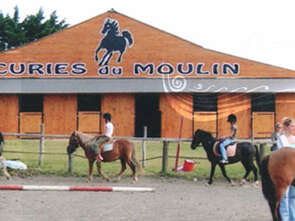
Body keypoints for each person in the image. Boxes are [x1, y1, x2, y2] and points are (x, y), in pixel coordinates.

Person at [277, 117, 295, 221]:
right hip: (285, 171)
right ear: (287, 127)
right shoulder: (281, 139)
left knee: (293, 196)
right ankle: (285, 218)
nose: (294, 127)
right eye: (292, 125)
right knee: (284, 196)